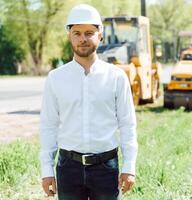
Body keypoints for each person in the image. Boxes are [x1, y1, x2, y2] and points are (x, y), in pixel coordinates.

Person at [39, 4, 138, 200]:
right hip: (68, 169)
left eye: (89, 33)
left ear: (100, 35)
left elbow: (128, 124)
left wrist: (129, 166)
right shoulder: (55, 78)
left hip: (106, 169)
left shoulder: (116, 77)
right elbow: (48, 126)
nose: (82, 39)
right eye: (77, 33)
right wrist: (46, 170)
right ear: (69, 36)